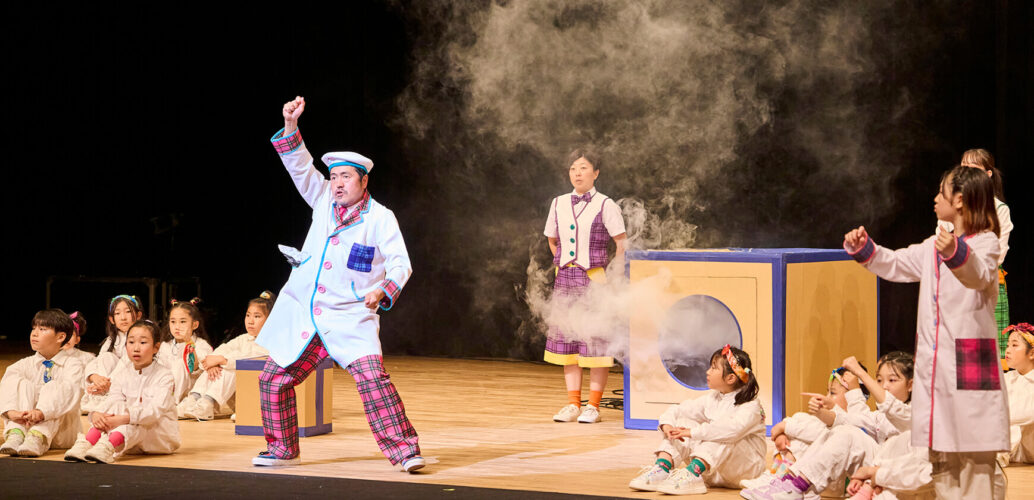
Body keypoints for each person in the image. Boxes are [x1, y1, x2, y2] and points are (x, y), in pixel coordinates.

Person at [254, 96, 422, 472]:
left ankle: (405, 451)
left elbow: (401, 263)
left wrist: (383, 290)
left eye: (345, 176)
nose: (337, 183)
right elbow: (300, 166)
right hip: (307, 313)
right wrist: (291, 125)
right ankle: (282, 449)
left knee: (373, 381)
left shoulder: (380, 218)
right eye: (333, 177)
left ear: (364, 180)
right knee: (272, 381)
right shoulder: (322, 202)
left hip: (350, 316)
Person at [841, 165, 1007, 498]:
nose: (935, 199)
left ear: (959, 200)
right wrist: (866, 249)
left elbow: (978, 274)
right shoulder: (934, 245)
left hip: (970, 371)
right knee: (942, 464)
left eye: (941, 193)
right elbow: (897, 263)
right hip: (939, 374)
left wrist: (954, 251)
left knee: (974, 464)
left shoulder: (986, 242)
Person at [741, 352, 913, 499]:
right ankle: (789, 484)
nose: (884, 386)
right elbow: (853, 419)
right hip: (872, 469)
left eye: (892, 380)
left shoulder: (914, 413)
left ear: (911, 385)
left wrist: (859, 374)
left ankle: (795, 487)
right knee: (838, 429)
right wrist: (822, 413)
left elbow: (890, 409)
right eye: (879, 380)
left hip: (893, 474)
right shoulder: (880, 416)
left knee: (847, 433)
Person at [542, 148, 627, 424]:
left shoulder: (606, 204)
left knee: (595, 343)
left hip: (594, 279)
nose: (577, 173)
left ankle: (593, 406)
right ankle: (573, 404)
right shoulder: (558, 203)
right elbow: (552, 239)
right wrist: (564, 261)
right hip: (565, 278)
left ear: (595, 173)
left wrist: (615, 275)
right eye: (573, 168)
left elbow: (621, 243)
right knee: (568, 341)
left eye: (583, 168)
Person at [628, 345, 765, 495]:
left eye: (714, 368)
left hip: (743, 472)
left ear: (730, 378)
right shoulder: (713, 398)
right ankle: (662, 468)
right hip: (714, 472)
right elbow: (679, 410)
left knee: (720, 432)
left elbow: (731, 430)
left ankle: (693, 472)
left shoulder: (751, 406)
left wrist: (692, 432)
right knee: (683, 423)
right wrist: (667, 425)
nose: (708, 372)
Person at [64, 320, 179, 463]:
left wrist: (123, 419)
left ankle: (107, 445)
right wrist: (97, 414)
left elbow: (154, 412)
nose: (136, 348)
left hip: (157, 436)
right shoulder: (122, 374)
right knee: (116, 405)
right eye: (131, 342)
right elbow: (113, 401)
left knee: (136, 420)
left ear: (156, 347)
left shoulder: (164, 376)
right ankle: (88, 442)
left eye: (143, 343)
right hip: (127, 438)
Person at [740, 364, 869, 489]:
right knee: (801, 419)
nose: (827, 397)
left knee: (803, 442)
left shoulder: (851, 425)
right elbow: (802, 422)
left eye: (833, 393)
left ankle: (780, 479)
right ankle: (776, 474)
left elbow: (817, 433)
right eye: (827, 391)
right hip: (808, 472)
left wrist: (786, 427)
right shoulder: (826, 417)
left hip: (830, 481)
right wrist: (782, 433)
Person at [0, 309, 85, 457]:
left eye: (42, 329)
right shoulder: (23, 365)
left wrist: (41, 412)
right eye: (34, 328)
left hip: (61, 435)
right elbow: (7, 388)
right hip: (25, 430)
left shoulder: (73, 365)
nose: (34, 333)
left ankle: (38, 436)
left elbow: (70, 392)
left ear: (61, 337)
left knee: (53, 386)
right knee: (19, 382)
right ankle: (16, 433)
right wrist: (11, 412)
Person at [178, 291, 274, 420]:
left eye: (257, 316)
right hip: (235, 394)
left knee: (231, 366)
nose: (250, 321)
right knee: (217, 365)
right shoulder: (244, 338)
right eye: (248, 315)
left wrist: (222, 360)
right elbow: (220, 350)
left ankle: (208, 402)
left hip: (255, 396)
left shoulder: (271, 343)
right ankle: (194, 398)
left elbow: (249, 360)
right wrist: (213, 363)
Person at [960, 149, 1013, 362]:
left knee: (988, 352)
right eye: (963, 167)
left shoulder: (999, 208)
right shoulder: (953, 204)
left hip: (986, 282)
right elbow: (942, 239)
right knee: (960, 348)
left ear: (988, 174)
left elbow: (998, 253)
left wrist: (970, 267)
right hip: (956, 281)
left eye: (973, 168)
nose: (966, 172)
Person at [81, 295, 143, 413]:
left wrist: (109, 383)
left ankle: (106, 393)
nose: (123, 317)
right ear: (112, 319)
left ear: (138, 315)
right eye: (117, 313)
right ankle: (100, 396)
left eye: (128, 312)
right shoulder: (112, 339)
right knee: (106, 357)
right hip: (112, 383)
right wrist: (94, 376)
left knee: (130, 356)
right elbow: (98, 361)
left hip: (134, 381)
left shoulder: (144, 335)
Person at [158, 298, 213, 403]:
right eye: (173, 322)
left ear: (194, 325)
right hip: (167, 392)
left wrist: (188, 342)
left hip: (193, 394)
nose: (177, 326)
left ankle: (174, 402)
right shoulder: (165, 345)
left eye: (183, 322)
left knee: (179, 365)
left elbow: (195, 368)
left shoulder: (202, 345)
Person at [1000, 323, 1034, 465]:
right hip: (1014, 451)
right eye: (1008, 345)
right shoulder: (1005, 379)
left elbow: (1027, 415)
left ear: (1031, 353)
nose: (1008, 350)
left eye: (1014, 345)